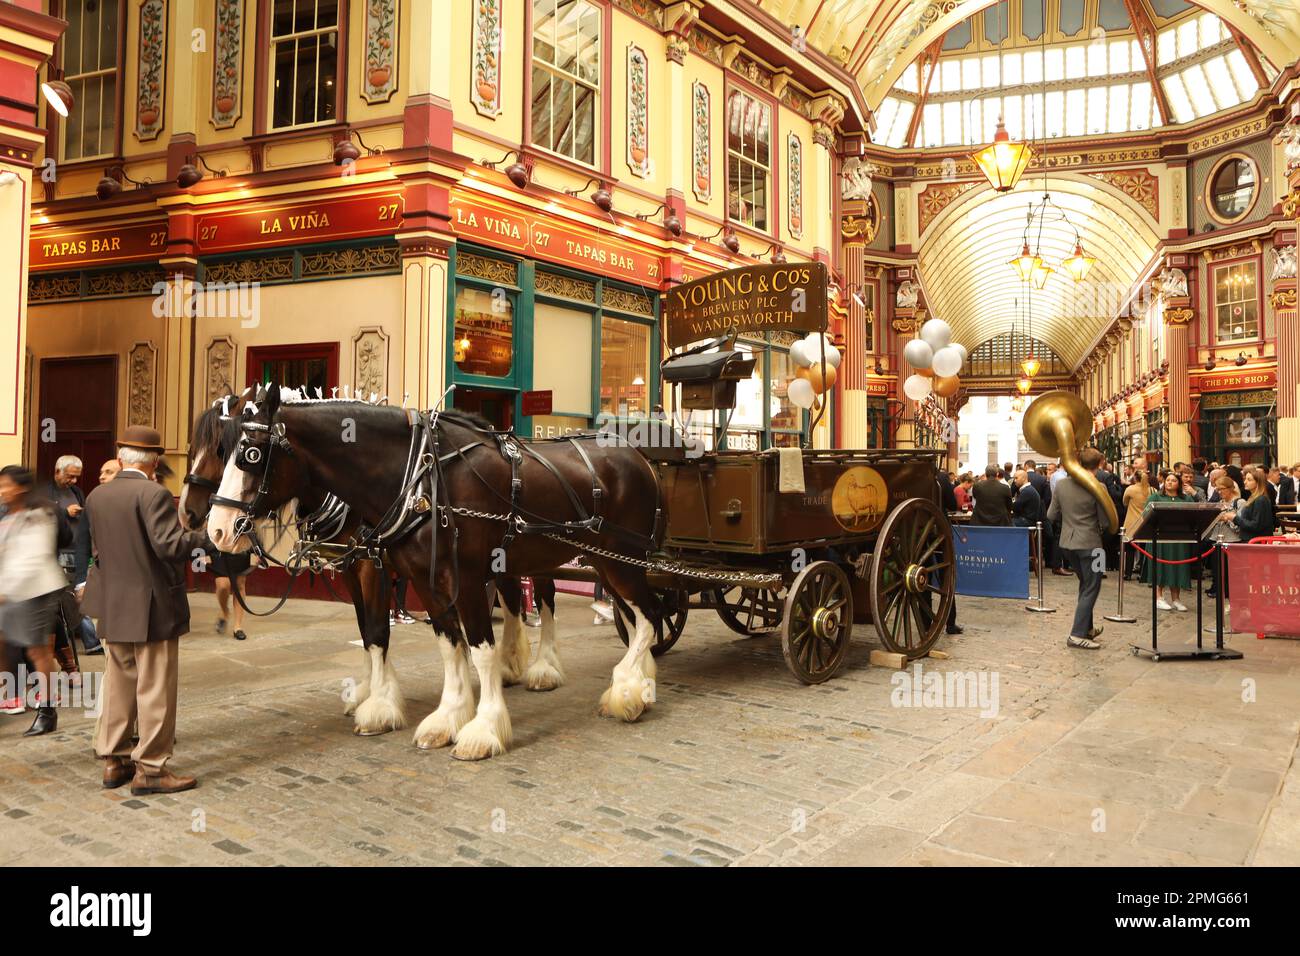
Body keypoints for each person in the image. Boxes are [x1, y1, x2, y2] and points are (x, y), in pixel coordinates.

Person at [84, 426, 208, 795]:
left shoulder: (97, 495)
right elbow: (170, 547)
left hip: (113, 602)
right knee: (154, 687)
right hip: (152, 605)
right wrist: (210, 539)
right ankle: (151, 768)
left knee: (119, 684)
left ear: (121, 459)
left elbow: (100, 551)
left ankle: (113, 761)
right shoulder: (153, 492)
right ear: (155, 463)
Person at [0, 466, 70, 735]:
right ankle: (12, 694)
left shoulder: (39, 515)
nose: (3, 491)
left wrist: (6, 591)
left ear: (21, 487)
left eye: (6, 485)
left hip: (37, 591)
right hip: (11, 592)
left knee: (37, 650)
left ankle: (47, 711)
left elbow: (34, 558)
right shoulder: (8, 515)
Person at [1047, 448, 1112, 650]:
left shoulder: (1062, 484)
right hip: (1092, 544)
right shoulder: (1098, 485)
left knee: (1085, 585)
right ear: (1100, 464)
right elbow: (1104, 520)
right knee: (1093, 587)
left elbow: (1051, 515)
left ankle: (1087, 629)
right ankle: (1076, 635)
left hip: (1068, 544)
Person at [1140, 470, 1196, 612]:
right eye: (1168, 480)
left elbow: (1194, 515)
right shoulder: (1156, 497)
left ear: (1179, 484)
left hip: (1179, 537)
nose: (1170, 482)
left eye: (1173, 480)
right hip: (1160, 537)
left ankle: (1176, 599)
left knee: (1177, 566)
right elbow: (1145, 514)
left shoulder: (1186, 499)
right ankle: (1159, 597)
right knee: (1160, 566)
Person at [1205, 474, 1245, 604]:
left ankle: (1231, 598)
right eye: (1217, 489)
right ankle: (1220, 594)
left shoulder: (1240, 503)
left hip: (1232, 541)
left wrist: (1226, 518)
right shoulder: (1220, 503)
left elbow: (1239, 526)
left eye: (1221, 489)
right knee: (1217, 571)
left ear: (1230, 488)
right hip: (1217, 540)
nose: (1219, 492)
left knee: (1230, 573)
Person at [1121, 466, 1150, 580]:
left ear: (1135, 478)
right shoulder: (1152, 490)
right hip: (1146, 522)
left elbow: (1124, 502)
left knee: (1129, 549)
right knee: (1144, 549)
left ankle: (1127, 574)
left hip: (1132, 522)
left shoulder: (1130, 489)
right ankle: (1142, 573)